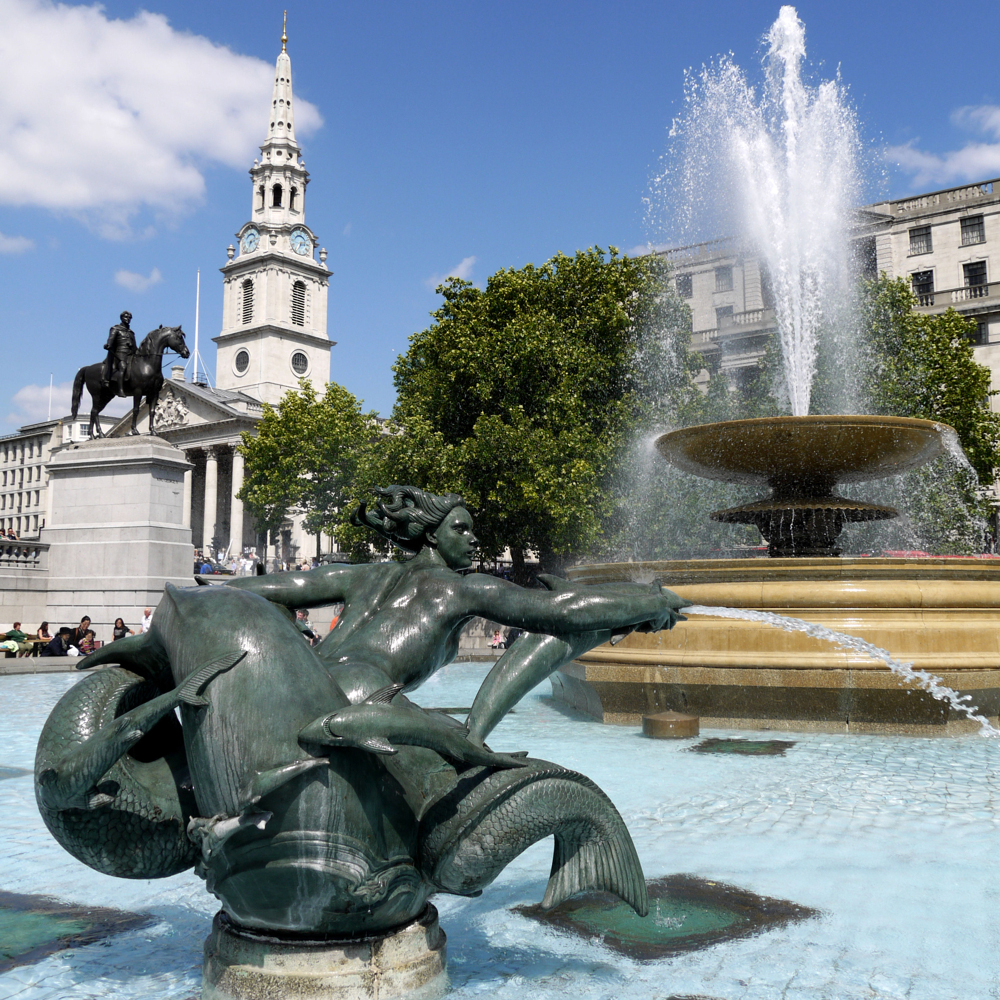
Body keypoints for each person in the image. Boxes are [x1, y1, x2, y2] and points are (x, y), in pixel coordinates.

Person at [218, 485, 688, 705]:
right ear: (431, 536)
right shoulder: (461, 590)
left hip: (300, 688)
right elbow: (560, 610)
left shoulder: (367, 574)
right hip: (361, 701)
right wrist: (650, 601)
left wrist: (287, 626)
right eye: (461, 529)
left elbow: (257, 590)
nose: (473, 539)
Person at [102, 310, 136, 397]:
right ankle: (120, 390)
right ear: (121, 318)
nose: (127, 319)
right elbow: (110, 340)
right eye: (125, 317)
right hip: (119, 354)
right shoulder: (115, 329)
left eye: (129, 318)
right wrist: (108, 345)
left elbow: (135, 347)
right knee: (123, 367)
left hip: (130, 354)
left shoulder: (131, 332)